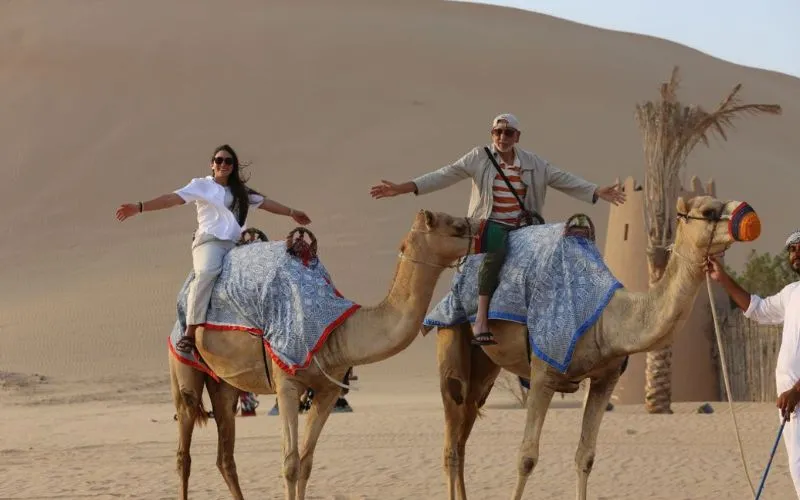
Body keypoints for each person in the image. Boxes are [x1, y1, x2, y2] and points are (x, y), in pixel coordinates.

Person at [369, 113, 625, 346]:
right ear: (492, 134)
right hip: (489, 224)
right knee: (496, 251)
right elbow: (445, 174)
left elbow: (563, 178)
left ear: (517, 137)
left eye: (508, 133)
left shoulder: (533, 163)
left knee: (559, 247)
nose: (502, 137)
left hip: (526, 227)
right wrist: (404, 188)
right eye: (498, 132)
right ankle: (481, 319)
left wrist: (596, 191)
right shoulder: (479, 157)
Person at [115, 144, 311, 353]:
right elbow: (171, 199)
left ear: (233, 166)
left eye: (228, 161)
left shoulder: (241, 191)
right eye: (219, 160)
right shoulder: (202, 185)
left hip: (238, 245)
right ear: (212, 164)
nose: (223, 164)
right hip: (210, 243)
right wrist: (140, 207)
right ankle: (190, 331)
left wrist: (292, 212)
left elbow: (266, 203)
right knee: (207, 272)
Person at [707, 230, 800, 496]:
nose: (795, 254)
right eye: (791, 249)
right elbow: (757, 309)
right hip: (791, 402)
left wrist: (796, 390)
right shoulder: (792, 293)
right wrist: (723, 278)